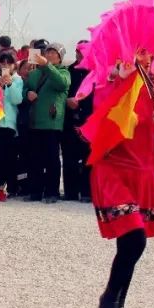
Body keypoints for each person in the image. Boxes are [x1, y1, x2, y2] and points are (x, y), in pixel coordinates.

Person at [89, 53, 154, 308]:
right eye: (139, 57)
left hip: (141, 171)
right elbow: (101, 108)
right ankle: (109, 299)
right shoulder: (108, 84)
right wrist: (119, 79)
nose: (143, 62)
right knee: (134, 237)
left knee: (132, 243)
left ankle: (117, 306)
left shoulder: (151, 90)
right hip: (113, 168)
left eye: (147, 58)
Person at [25, 42, 71, 203]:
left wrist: (47, 66)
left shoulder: (64, 72)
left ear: (59, 57)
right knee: (35, 159)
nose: (50, 55)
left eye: (54, 53)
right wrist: (28, 93)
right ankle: (35, 191)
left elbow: (62, 84)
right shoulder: (35, 73)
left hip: (52, 122)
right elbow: (27, 87)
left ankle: (52, 192)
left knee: (52, 159)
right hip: (35, 121)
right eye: (48, 52)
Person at [0, 52, 24, 198]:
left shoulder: (17, 80)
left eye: (9, 63)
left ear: (14, 65)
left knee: (7, 159)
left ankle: (4, 188)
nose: (6, 66)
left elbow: (17, 100)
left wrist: (9, 84)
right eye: (3, 63)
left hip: (9, 124)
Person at [63, 42, 93, 202]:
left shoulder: (95, 71)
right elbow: (62, 92)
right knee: (69, 158)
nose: (80, 54)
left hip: (88, 119)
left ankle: (87, 192)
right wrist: (67, 101)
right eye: (78, 51)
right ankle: (70, 192)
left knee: (88, 158)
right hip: (70, 119)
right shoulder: (69, 71)